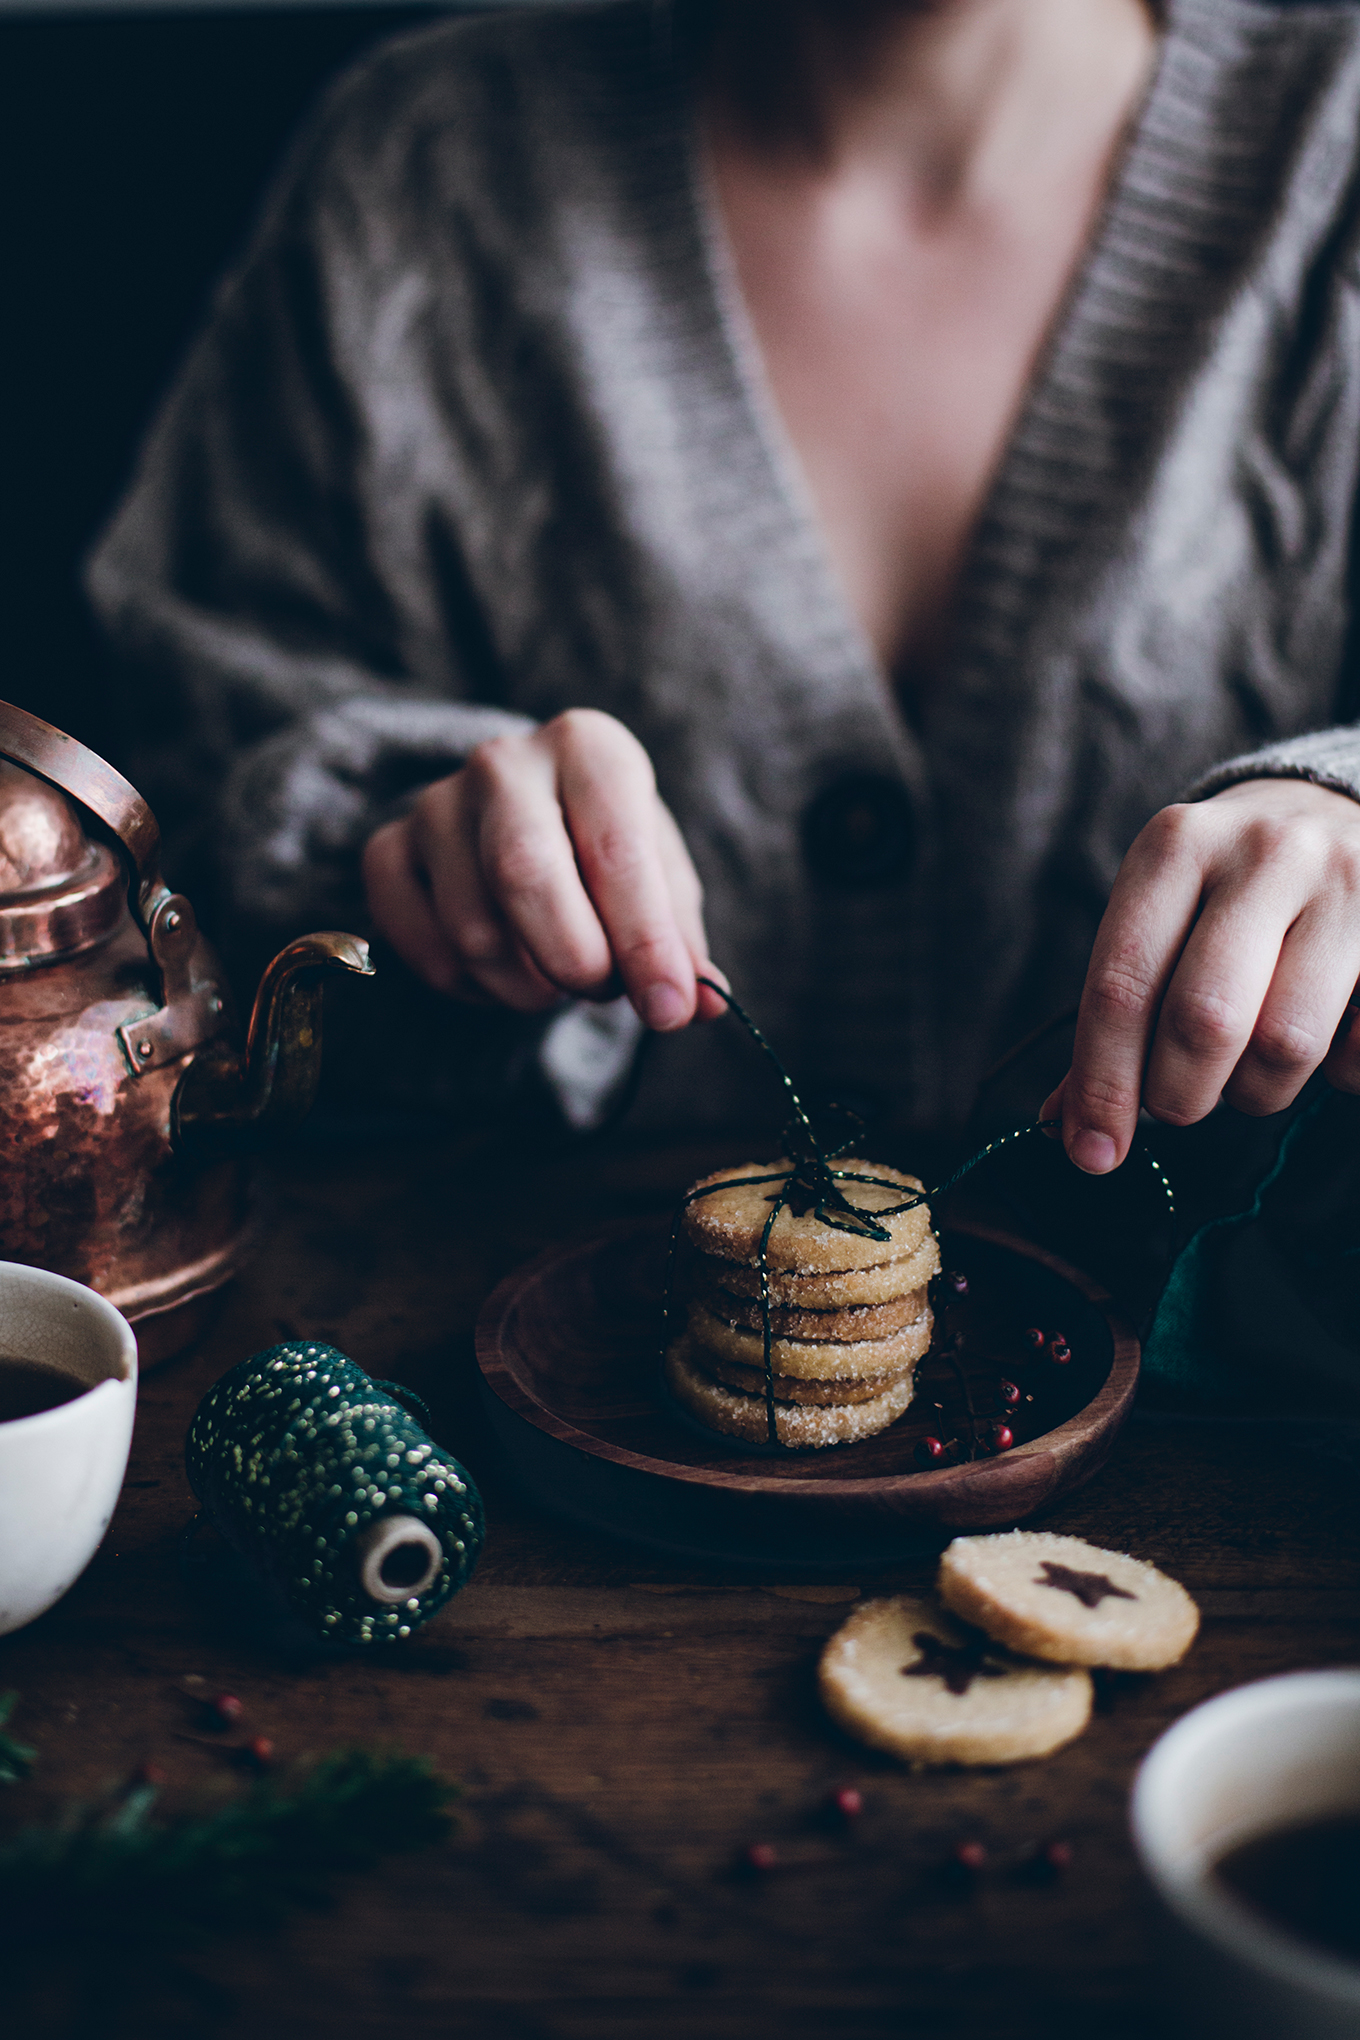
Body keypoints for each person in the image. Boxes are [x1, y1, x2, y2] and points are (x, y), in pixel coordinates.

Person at [88, 0, 1360, 1162]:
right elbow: (172, 831)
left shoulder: (1331, 150)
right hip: (521, 1355)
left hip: (1238, 1397)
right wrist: (399, 840)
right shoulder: (425, 170)